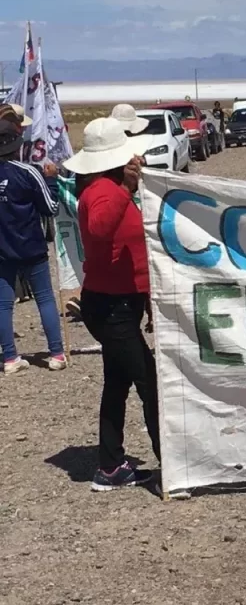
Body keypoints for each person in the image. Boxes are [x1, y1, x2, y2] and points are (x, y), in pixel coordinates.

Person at [62, 117, 158, 491]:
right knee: (149, 381)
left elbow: (132, 251)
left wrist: (147, 299)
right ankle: (171, 461)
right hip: (110, 307)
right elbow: (101, 229)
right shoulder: (101, 190)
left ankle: (110, 466)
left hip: (119, 303)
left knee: (117, 382)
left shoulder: (110, 188)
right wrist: (127, 188)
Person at [0, 109, 65, 374]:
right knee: (45, 298)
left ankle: (9, 357)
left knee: (3, 304)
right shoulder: (28, 172)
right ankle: (56, 353)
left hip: (2, 249)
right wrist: (52, 181)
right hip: (31, 246)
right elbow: (51, 208)